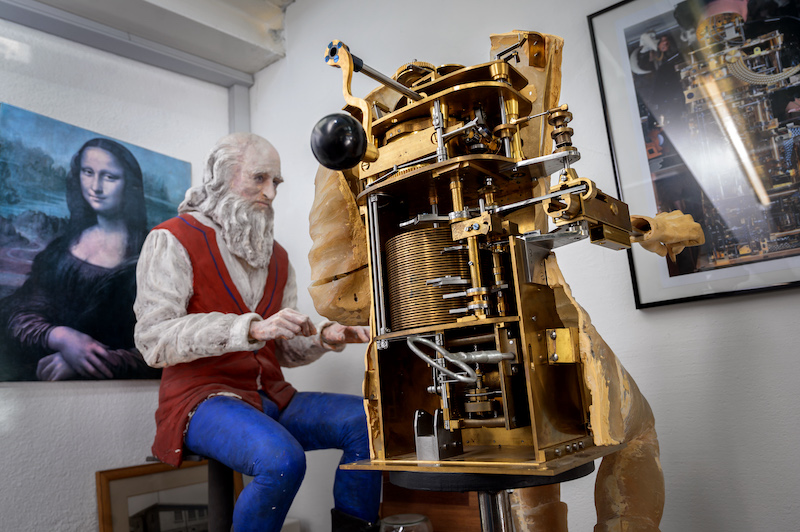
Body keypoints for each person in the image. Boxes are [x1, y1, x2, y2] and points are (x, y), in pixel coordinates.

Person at [133, 132, 382, 532]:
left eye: (276, 182)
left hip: (271, 395)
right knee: (281, 460)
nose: (270, 193)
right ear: (222, 176)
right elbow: (153, 339)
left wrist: (324, 336)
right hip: (202, 399)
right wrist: (248, 327)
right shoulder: (171, 239)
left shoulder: (277, 256)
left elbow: (284, 350)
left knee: (367, 422)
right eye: (259, 178)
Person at [0, 138, 158, 381]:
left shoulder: (152, 255)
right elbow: (20, 312)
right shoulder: (60, 249)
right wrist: (61, 337)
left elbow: (161, 344)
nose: (95, 187)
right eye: (88, 172)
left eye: (110, 177)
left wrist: (88, 361)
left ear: (130, 185)